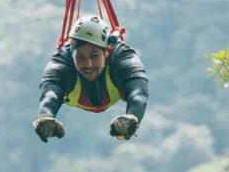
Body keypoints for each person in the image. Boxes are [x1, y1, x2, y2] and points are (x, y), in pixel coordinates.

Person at [34, 14, 148, 142]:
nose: (88, 64)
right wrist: (45, 116)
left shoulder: (122, 58)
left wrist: (132, 117)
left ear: (106, 51)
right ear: (72, 53)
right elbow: (50, 95)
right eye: (81, 57)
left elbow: (138, 93)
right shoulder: (61, 65)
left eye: (94, 56)